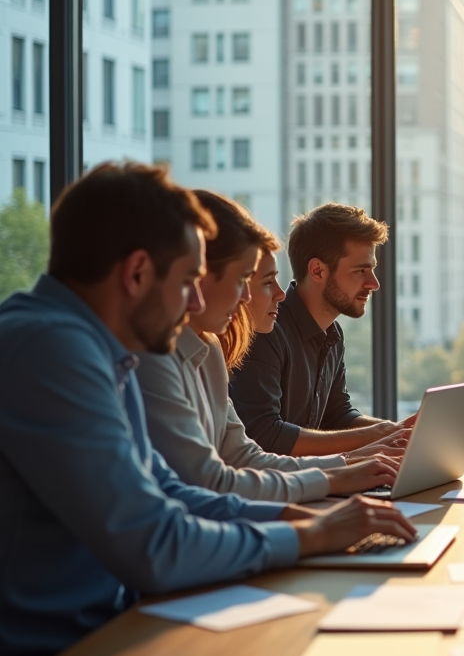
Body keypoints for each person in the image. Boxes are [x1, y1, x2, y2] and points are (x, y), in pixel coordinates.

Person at [0, 162, 415, 656]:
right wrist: (307, 535)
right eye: (186, 283)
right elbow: (153, 541)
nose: (195, 303)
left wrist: (293, 518)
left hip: (107, 633)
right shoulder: (51, 349)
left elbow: (171, 491)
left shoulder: (101, 351)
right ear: (136, 273)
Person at [137, 191, 401, 502]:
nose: (278, 294)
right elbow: (229, 466)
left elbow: (243, 458)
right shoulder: (162, 359)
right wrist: (345, 470)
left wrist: (357, 460)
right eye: (253, 280)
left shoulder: (209, 351)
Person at [229, 203, 409, 456]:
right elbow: (264, 435)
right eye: (360, 270)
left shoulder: (333, 334)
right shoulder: (265, 332)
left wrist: (397, 431)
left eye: (372, 269)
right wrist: (379, 436)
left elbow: (337, 415)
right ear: (317, 271)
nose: (374, 283)